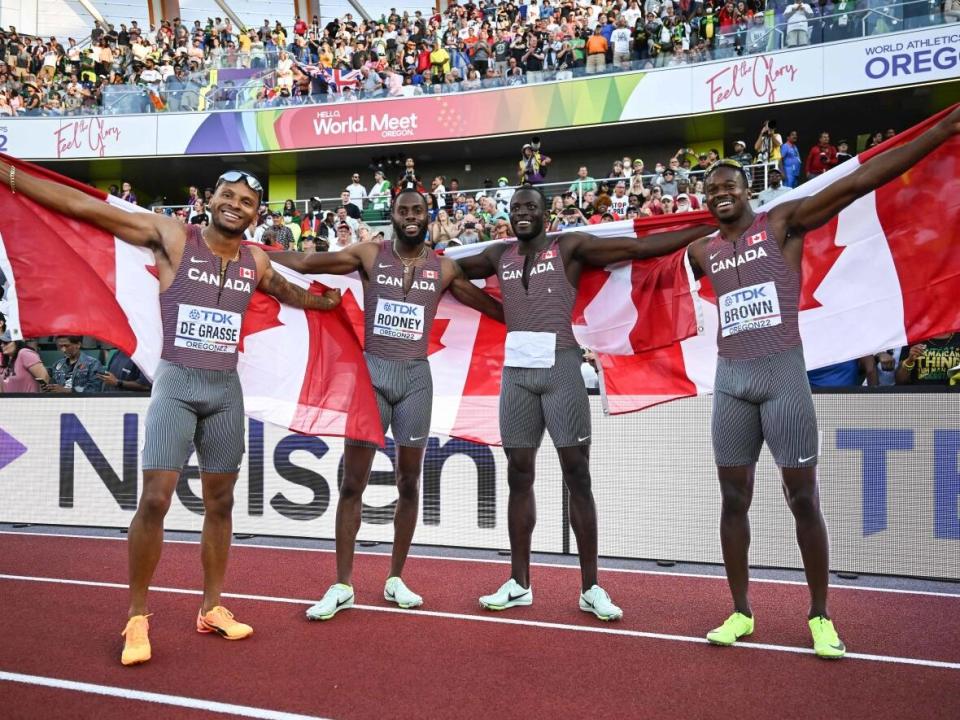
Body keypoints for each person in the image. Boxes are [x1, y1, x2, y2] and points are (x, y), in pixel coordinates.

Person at [0, 159, 342, 666]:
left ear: (254, 214)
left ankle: (212, 607)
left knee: (221, 503)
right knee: (156, 499)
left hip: (225, 390)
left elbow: (288, 292)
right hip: (177, 384)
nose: (235, 206)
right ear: (210, 198)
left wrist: (325, 304)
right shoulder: (173, 236)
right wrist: (9, 178)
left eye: (247, 202)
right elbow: (83, 207)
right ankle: (137, 616)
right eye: (228, 196)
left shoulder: (256, 261)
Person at [682, 105, 960, 659]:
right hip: (731, 380)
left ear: (747, 191)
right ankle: (740, 611)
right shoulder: (699, 251)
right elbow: (636, 264)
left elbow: (861, 181)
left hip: (784, 376)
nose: (719, 193)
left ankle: (820, 615)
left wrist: (945, 130)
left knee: (802, 497)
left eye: (729, 185)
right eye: (710, 188)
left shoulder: (781, 223)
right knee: (733, 499)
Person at [456, 186, 711, 620]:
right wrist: (485, 305)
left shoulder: (568, 246)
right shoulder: (500, 255)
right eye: (515, 207)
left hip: (561, 372)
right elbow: (440, 270)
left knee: (578, 474)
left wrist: (706, 228)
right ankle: (519, 583)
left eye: (530, 207)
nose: (522, 213)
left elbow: (639, 247)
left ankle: (591, 586)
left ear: (544, 214)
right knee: (519, 474)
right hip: (516, 376)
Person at [270, 189, 503, 620]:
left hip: (416, 381)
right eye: (403, 211)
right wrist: (252, 258)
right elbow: (304, 263)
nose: (411, 217)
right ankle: (342, 584)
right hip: (372, 378)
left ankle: (395, 578)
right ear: (391, 215)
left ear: (428, 215)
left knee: (409, 483)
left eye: (418, 210)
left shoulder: (445, 268)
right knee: (352, 483)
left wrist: (549, 314)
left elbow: (491, 307)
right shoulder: (369, 255)